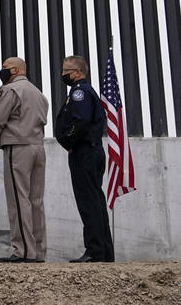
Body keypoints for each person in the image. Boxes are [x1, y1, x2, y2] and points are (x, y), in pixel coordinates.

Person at [0, 56, 49, 263]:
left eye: (5, 67)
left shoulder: (11, 90)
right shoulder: (39, 94)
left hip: (18, 146)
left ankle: (23, 251)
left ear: (15, 70)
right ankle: (39, 251)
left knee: (18, 199)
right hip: (38, 147)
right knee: (36, 201)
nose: (2, 71)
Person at [54, 54, 113, 262]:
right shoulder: (85, 92)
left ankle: (94, 251)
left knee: (89, 203)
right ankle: (104, 251)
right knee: (96, 201)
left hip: (84, 152)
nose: (63, 75)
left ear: (77, 72)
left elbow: (80, 122)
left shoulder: (79, 92)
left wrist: (68, 142)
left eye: (66, 71)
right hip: (92, 151)